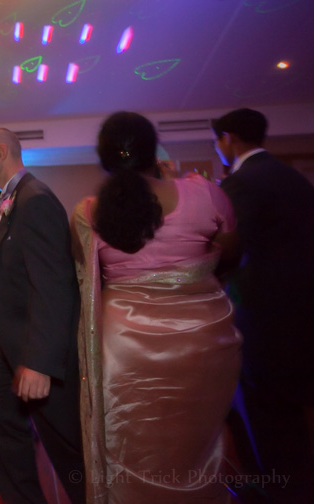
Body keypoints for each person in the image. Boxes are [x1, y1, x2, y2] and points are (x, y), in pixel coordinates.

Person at [72, 111, 242, 503]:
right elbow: (232, 256)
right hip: (203, 343)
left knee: (132, 448)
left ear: (105, 160)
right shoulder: (205, 194)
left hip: (126, 346)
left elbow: (84, 276)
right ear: (154, 151)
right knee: (195, 448)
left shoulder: (89, 212)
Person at [0, 128, 85, 504]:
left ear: (1, 152)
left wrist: (38, 363)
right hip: (11, 342)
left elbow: (53, 285)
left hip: (35, 348)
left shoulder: (35, 199)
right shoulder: (12, 199)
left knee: (67, 445)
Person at [213, 108, 314, 503]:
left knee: (265, 420)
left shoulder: (243, 182)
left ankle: (270, 492)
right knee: (292, 421)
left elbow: (228, 250)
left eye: (217, 140)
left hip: (262, 318)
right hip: (299, 313)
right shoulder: (294, 179)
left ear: (229, 139)